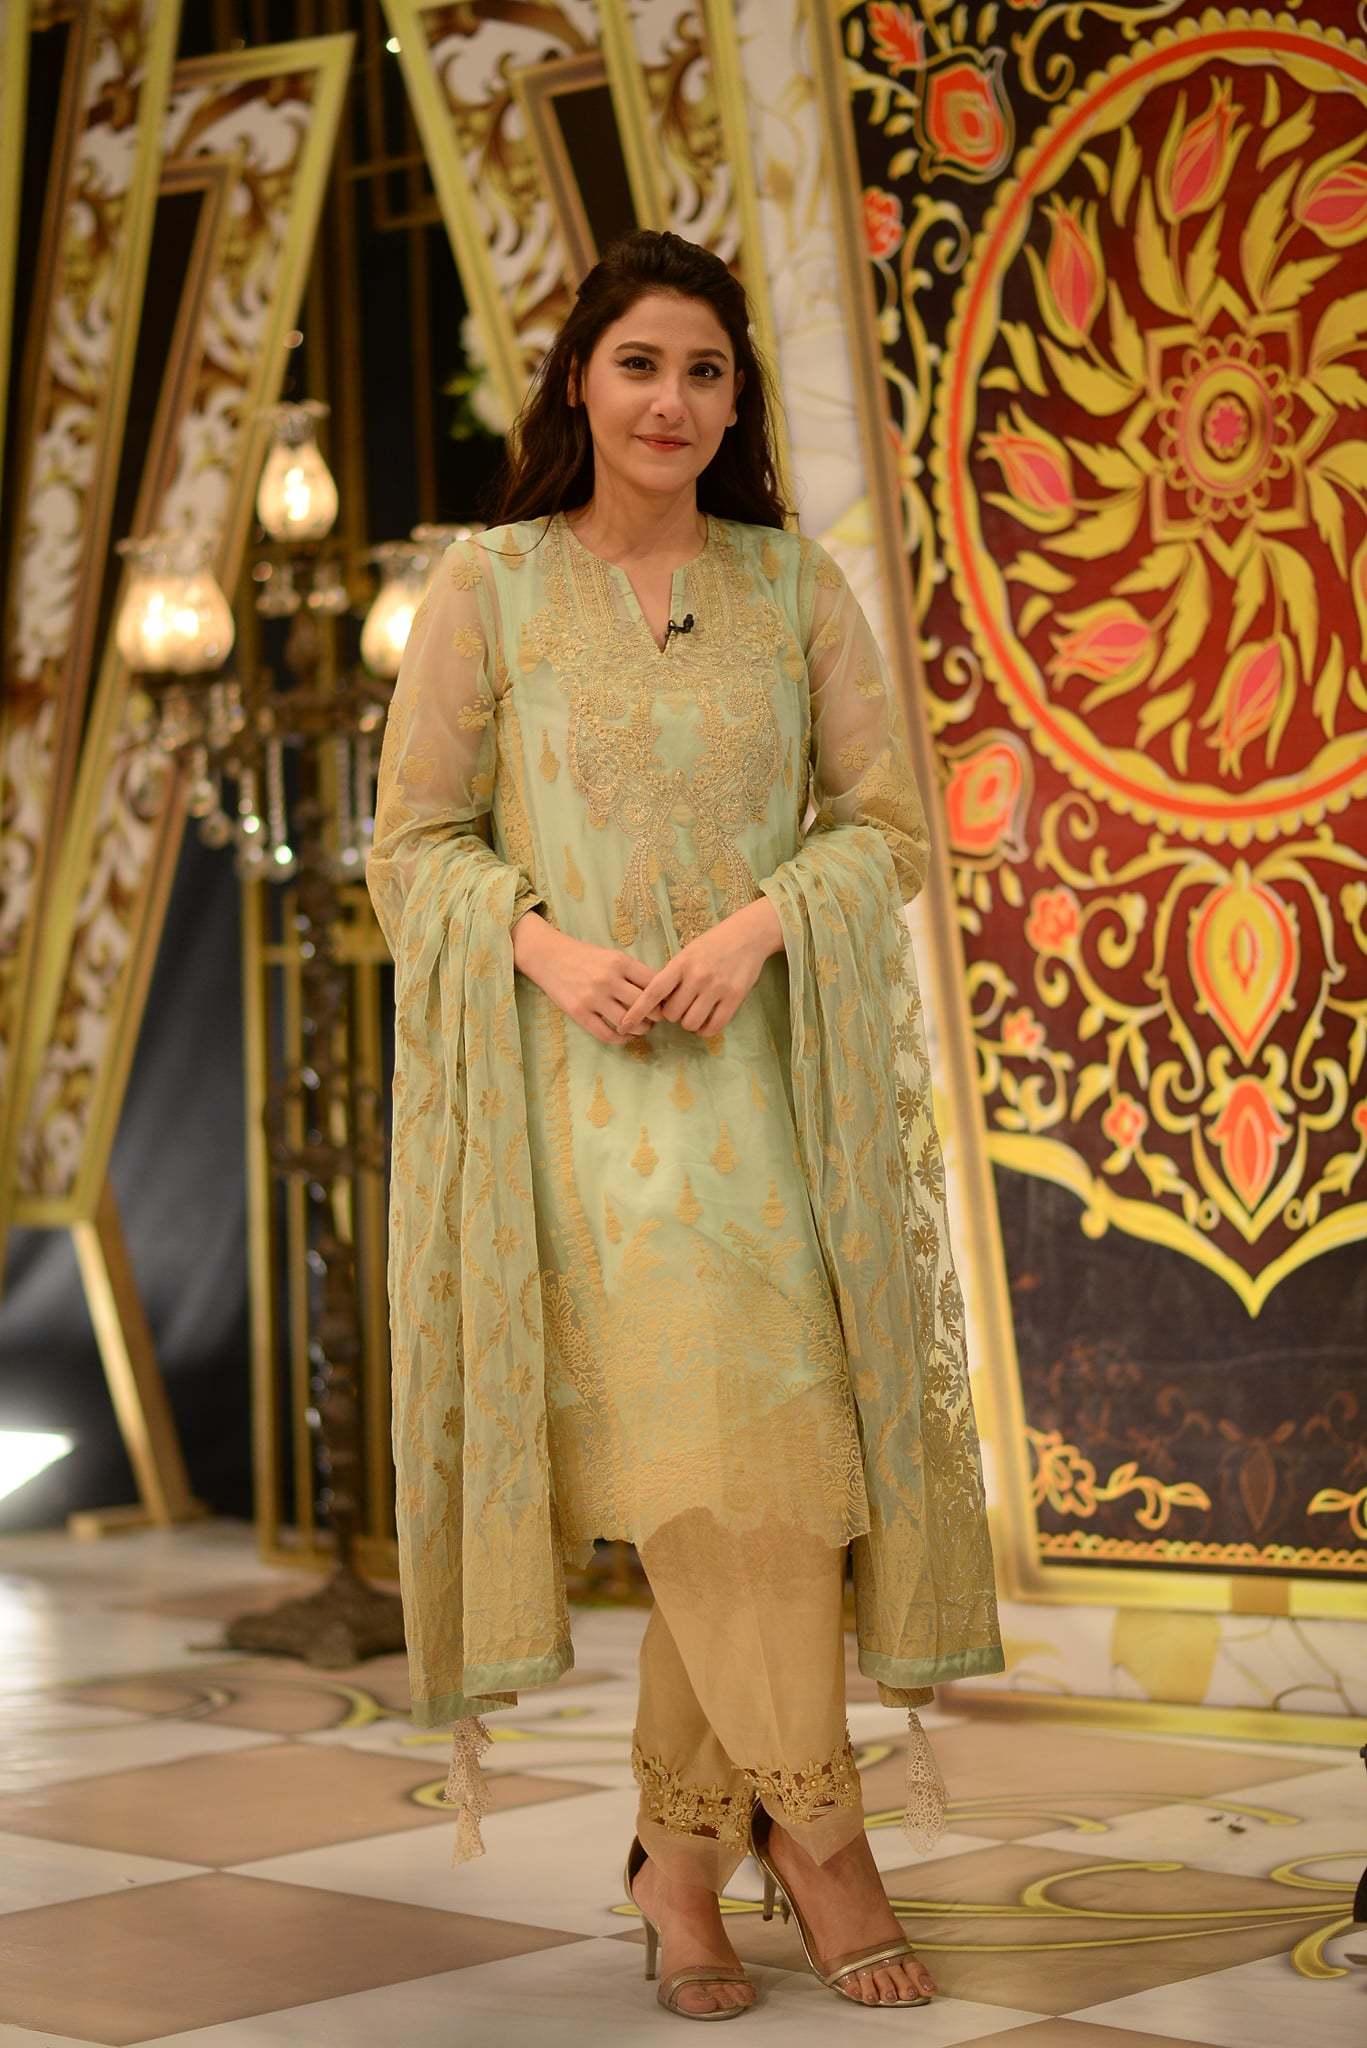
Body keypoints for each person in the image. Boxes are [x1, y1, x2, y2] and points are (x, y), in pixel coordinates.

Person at [365, 228, 1003, 2021]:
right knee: (716, 1468)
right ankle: (828, 1841)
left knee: (762, 1474)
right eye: (641, 363)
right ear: (579, 380)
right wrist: (548, 949)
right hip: (577, 1105)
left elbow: (886, 827)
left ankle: (679, 1865)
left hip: (766, 1101)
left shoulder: (792, 582)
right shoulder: (490, 586)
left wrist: (759, 925)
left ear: (736, 404)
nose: (672, 400)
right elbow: (412, 845)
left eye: (706, 371)